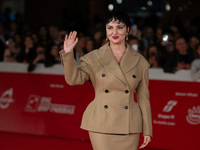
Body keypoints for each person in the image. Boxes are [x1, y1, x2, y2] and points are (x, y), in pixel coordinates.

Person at [60, 11, 152, 150]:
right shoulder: (93, 58)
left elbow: (143, 99)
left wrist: (147, 130)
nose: (114, 31)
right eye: (110, 27)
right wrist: (68, 53)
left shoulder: (141, 62)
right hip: (101, 123)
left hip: (129, 125)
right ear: (105, 30)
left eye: (120, 27)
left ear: (127, 30)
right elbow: (73, 80)